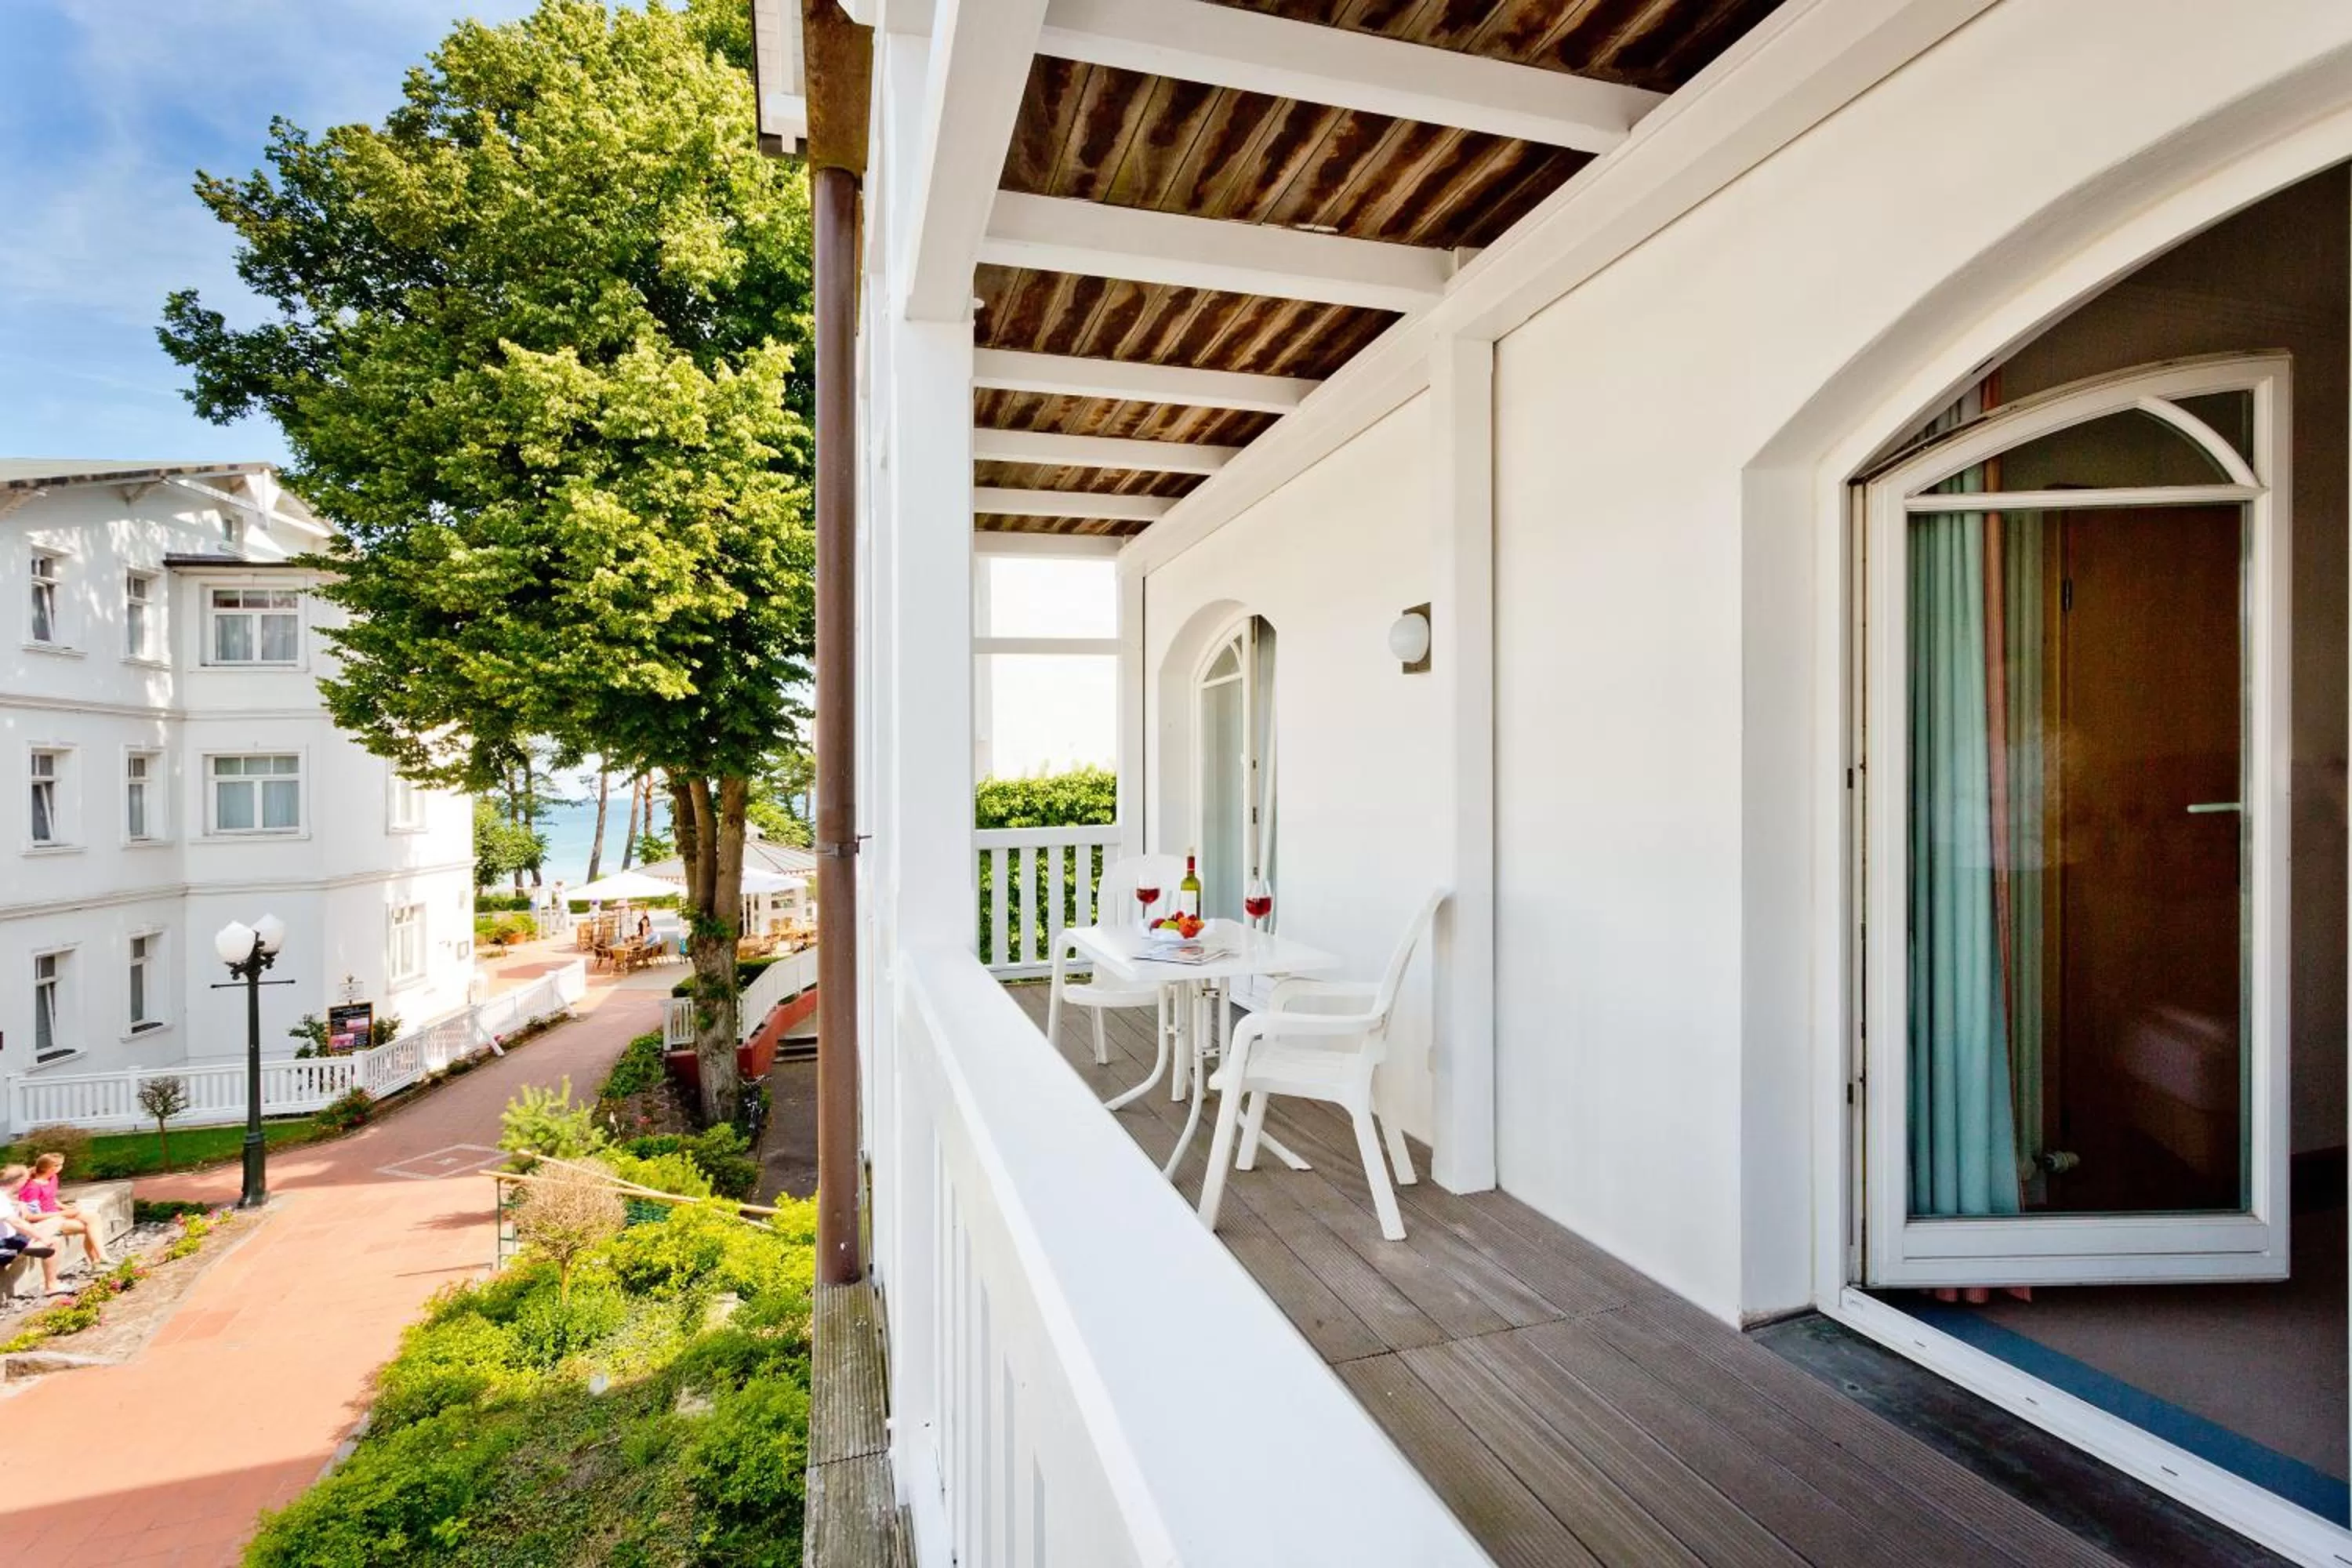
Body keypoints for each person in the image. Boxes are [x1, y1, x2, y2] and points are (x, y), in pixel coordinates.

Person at [19, 1152, 105, 1271]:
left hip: (57, 1214)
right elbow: (30, 1217)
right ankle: (97, 1261)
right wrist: (63, 1213)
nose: (62, 1167)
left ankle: (102, 1257)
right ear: (51, 1168)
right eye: (60, 1165)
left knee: (94, 1217)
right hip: (45, 1222)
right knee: (90, 1228)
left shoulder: (52, 1178)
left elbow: (50, 1198)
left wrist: (65, 1207)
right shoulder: (32, 1188)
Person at [0, 1166, 66, 1298]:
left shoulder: (4, 1197)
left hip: (10, 1240)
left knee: (53, 1227)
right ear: (19, 1181)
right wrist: (41, 1237)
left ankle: (28, 1246)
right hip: (4, 1247)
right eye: (26, 1180)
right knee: (52, 1242)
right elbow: (17, 1223)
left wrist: (18, 1204)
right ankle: (52, 1286)